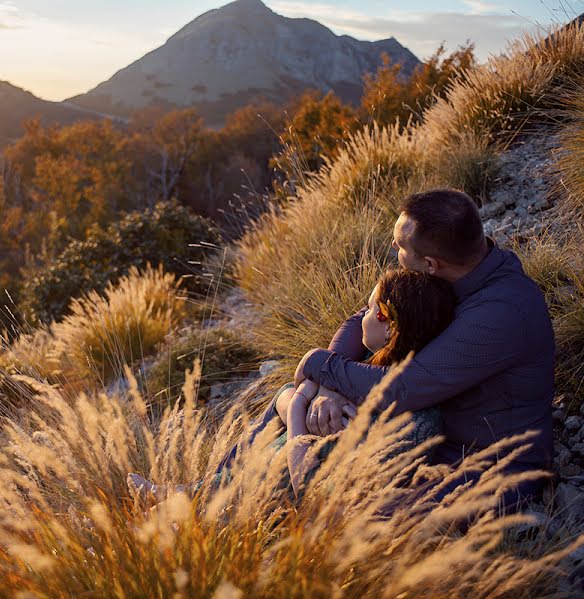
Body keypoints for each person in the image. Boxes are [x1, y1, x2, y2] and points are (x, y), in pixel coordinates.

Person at [294, 188, 555, 512]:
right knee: (302, 414)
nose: (393, 248)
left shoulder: (500, 311)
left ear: (431, 263)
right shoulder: (450, 271)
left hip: (484, 464)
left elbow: (404, 387)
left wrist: (318, 363)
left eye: (400, 246)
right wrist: (329, 388)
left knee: (352, 516)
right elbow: (364, 316)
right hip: (427, 435)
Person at [128, 268, 457, 501]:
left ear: (388, 327)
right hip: (297, 462)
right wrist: (300, 402)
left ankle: (196, 501)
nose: (362, 316)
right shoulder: (367, 372)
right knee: (284, 407)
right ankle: (200, 490)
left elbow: (307, 479)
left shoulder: (393, 404)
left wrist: (298, 420)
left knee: (281, 439)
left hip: (299, 489)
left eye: (370, 310)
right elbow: (291, 391)